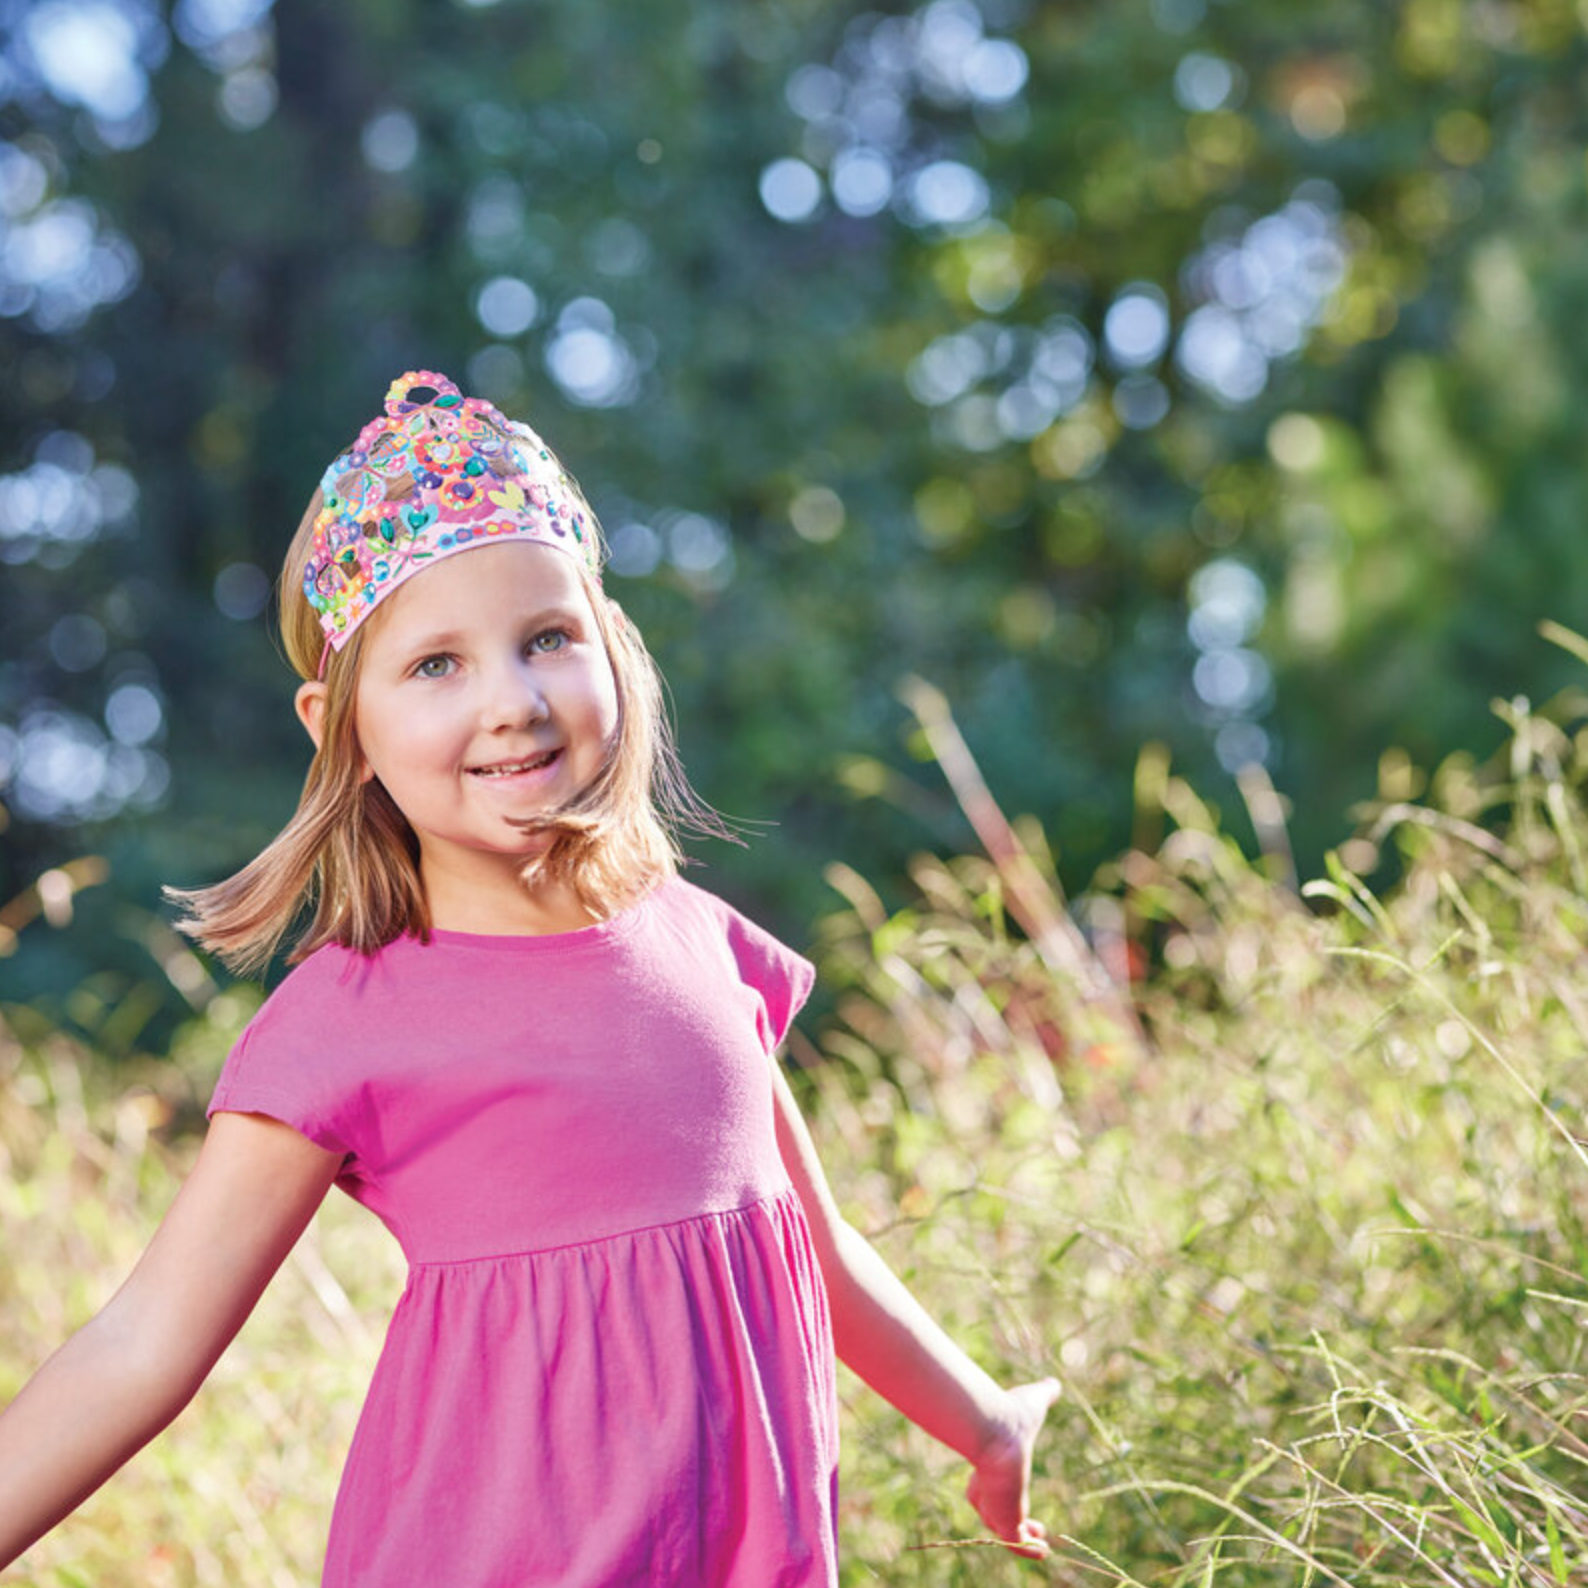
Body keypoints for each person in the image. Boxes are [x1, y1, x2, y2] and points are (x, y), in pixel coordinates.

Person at [0, 370, 1060, 1585]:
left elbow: (810, 1245)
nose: (512, 700)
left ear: (612, 649)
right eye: (436, 665)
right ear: (338, 724)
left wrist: (983, 1423)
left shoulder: (702, 946)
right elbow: (143, 1340)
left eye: (547, 637)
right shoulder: (347, 1020)